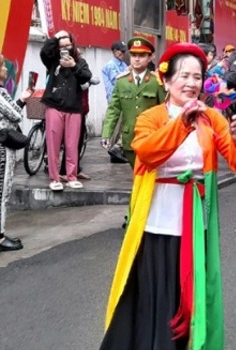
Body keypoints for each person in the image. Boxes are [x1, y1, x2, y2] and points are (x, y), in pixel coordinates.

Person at [95, 43, 236, 350]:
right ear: (166, 81)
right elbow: (148, 151)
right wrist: (182, 124)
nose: (191, 83)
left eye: (197, 76)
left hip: (194, 220)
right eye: (184, 75)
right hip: (155, 218)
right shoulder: (151, 117)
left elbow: (235, 161)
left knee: (188, 293)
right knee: (155, 293)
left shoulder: (211, 118)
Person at [101, 37, 167, 167]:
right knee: (136, 175)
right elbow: (113, 110)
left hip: (151, 137)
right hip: (129, 138)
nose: (137, 59)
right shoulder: (121, 82)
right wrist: (106, 134)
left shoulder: (156, 82)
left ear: (150, 58)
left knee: (150, 176)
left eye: (142, 55)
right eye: (133, 55)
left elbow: (165, 109)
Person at [41, 30, 93, 191]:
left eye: (68, 45)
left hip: (74, 108)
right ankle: (55, 178)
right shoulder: (52, 61)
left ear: (73, 45)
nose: (65, 48)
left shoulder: (80, 61)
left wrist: (73, 66)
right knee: (53, 143)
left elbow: (86, 76)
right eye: (62, 46)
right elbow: (44, 52)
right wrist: (55, 37)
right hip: (54, 106)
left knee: (72, 144)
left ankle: (72, 176)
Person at [0, 55, 32, 251]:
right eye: (3, 65)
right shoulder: (0, 93)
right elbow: (16, 114)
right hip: (2, 148)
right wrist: (20, 101)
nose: (5, 69)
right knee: (2, 192)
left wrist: (20, 100)